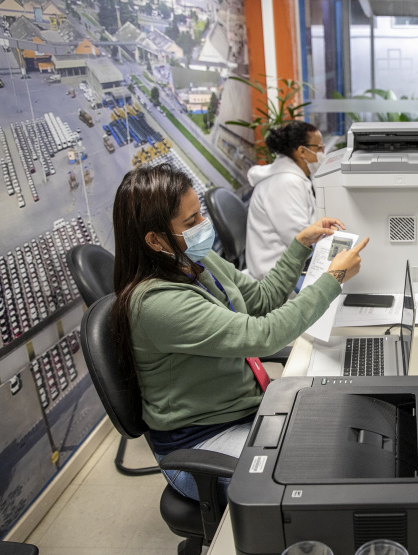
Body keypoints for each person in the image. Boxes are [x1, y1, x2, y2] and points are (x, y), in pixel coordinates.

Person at [110, 164, 368, 501]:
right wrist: (330, 280)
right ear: (156, 240)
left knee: (342, 433)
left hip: (245, 411)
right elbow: (263, 335)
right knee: (314, 481)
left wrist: (300, 245)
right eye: (190, 223)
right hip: (201, 444)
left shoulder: (194, 260)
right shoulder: (157, 304)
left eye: (199, 214)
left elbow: (261, 300)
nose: (203, 226)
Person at [245, 120, 326, 279]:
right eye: (319, 148)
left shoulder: (295, 178)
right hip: (275, 277)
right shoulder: (286, 183)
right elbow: (301, 237)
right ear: (302, 152)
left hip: (288, 266)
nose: (323, 152)